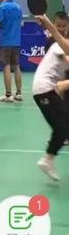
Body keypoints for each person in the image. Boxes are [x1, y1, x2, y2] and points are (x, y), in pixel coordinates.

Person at [31, 12, 69, 181]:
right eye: (58, 25)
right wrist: (47, 22)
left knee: (64, 128)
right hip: (44, 89)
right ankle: (47, 160)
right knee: (62, 128)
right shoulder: (59, 46)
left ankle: (48, 160)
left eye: (64, 26)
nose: (61, 29)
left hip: (49, 90)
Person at [0, 0, 23, 102]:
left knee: (6, 67)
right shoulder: (18, 7)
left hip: (5, 42)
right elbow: (21, 24)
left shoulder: (1, 8)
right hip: (16, 41)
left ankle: (8, 95)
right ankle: (18, 94)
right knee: (17, 66)